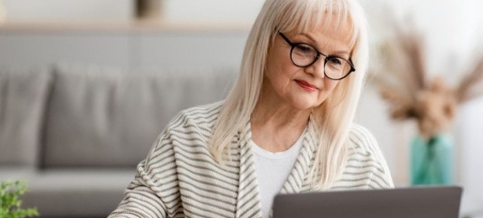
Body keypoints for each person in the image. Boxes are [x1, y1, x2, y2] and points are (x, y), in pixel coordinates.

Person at [108, 0, 393, 217]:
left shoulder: (359, 153)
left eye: (335, 61)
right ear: (266, 41)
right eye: (304, 48)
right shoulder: (189, 134)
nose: (318, 70)